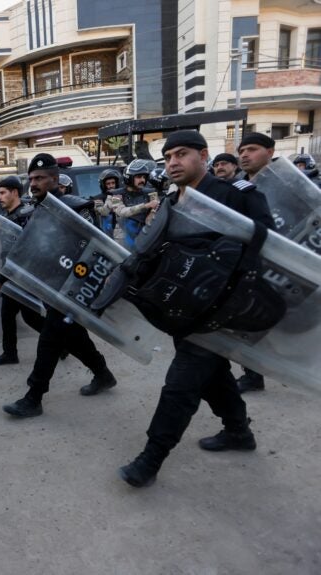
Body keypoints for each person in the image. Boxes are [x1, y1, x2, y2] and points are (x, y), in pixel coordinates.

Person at [118, 130, 275, 488]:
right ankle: (238, 432)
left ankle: (151, 458)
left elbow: (266, 243)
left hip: (221, 310)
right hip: (184, 312)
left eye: (182, 154)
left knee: (181, 384)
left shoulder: (234, 195)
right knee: (214, 377)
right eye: (168, 156)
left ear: (203, 156)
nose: (173, 162)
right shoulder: (172, 202)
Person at [2, 154, 117, 418]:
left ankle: (33, 397)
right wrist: (2, 278)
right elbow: (27, 248)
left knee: (51, 337)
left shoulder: (77, 207)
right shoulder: (38, 210)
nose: (34, 183)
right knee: (72, 335)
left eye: (40, 178)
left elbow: (97, 249)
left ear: (55, 179)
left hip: (75, 286)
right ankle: (102, 373)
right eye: (31, 179)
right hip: (51, 285)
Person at [234, 133, 278, 393]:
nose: (244, 155)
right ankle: (253, 374)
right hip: (254, 266)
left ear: (270, 152)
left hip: (289, 261)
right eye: (242, 151)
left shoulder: (289, 183)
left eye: (252, 149)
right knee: (249, 322)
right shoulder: (239, 187)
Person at [0, 176, 44, 366]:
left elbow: (24, 251)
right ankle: (10, 353)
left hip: (24, 275)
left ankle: (62, 343)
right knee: (8, 314)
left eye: (3, 192)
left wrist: (0, 278)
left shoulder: (25, 216)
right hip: (11, 274)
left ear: (15, 193)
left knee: (31, 317)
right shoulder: (8, 217)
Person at [110, 159, 159, 249]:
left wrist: (152, 212)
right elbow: (122, 212)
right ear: (129, 177)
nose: (142, 180)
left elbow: (156, 208)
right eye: (139, 177)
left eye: (144, 177)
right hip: (123, 238)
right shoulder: (116, 195)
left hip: (144, 236)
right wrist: (146, 206)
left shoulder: (151, 192)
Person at [94, 168, 121, 238]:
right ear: (103, 185)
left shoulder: (122, 195)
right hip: (105, 235)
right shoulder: (98, 199)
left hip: (120, 233)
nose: (111, 186)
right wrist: (112, 198)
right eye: (108, 184)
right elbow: (104, 212)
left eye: (113, 183)